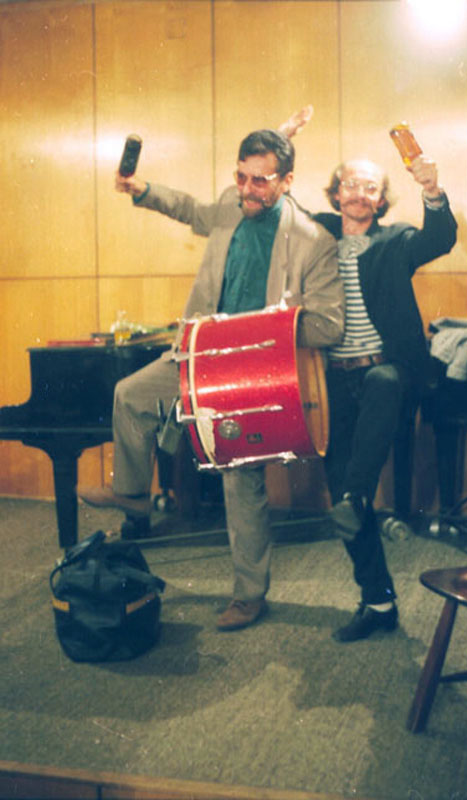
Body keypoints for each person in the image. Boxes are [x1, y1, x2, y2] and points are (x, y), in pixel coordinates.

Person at [79, 128, 344, 632]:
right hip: (199, 350)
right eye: (241, 177)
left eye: (260, 181)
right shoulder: (229, 204)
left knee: (240, 479)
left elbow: (329, 325)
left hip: (255, 368)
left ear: (287, 181)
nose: (247, 189)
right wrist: (142, 189)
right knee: (130, 396)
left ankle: (249, 595)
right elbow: (190, 210)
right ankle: (133, 494)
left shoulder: (315, 241)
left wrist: (262, 327)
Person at [312, 151, 458, 642]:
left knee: (382, 383)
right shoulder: (315, 237)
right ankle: (378, 601)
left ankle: (356, 495)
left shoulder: (395, 241)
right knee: (342, 492)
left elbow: (440, 238)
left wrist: (432, 191)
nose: (360, 193)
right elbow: (277, 212)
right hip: (331, 380)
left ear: (380, 200)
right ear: (336, 193)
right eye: (351, 184)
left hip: (388, 371)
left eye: (370, 187)